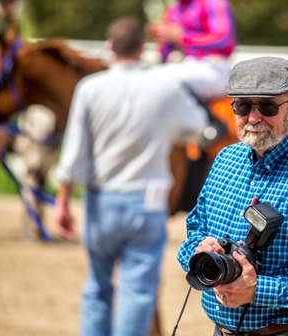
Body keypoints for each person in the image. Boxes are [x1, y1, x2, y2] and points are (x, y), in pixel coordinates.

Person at [177, 56, 288, 335]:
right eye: (243, 106)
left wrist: (257, 290)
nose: (253, 117)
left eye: (267, 106)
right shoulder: (225, 158)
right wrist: (200, 251)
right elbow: (195, 230)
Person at [54, 17, 206, 336]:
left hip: (102, 201)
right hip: (147, 203)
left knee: (97, 286)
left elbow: (73, 151)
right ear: (143, 48)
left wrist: (63, 202)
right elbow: (198, 127)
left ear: (109, 47)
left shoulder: (89, 89)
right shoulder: (164, 87)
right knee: (138, 292)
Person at [146, 0, 237, 143]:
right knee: (149, 77)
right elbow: (165, 56)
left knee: (160, 77)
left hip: (215, 67)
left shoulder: (214, 2)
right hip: (188, 65)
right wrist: (164, 38)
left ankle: (213, 124)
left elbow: (224, 39)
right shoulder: (174, 9)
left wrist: (182, 37)